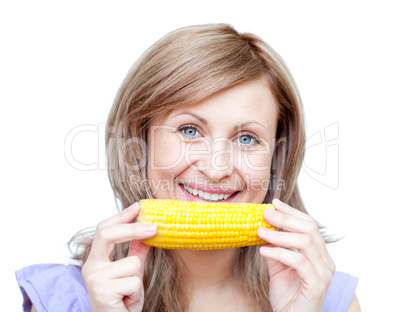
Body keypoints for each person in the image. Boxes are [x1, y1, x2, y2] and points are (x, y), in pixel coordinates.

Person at [16, 24, 360, 312]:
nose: (216, 169)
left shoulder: (326, 300)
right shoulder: (61, 299)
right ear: (141, 140)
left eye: (247, 139)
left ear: (277, 157)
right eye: (189, 131)